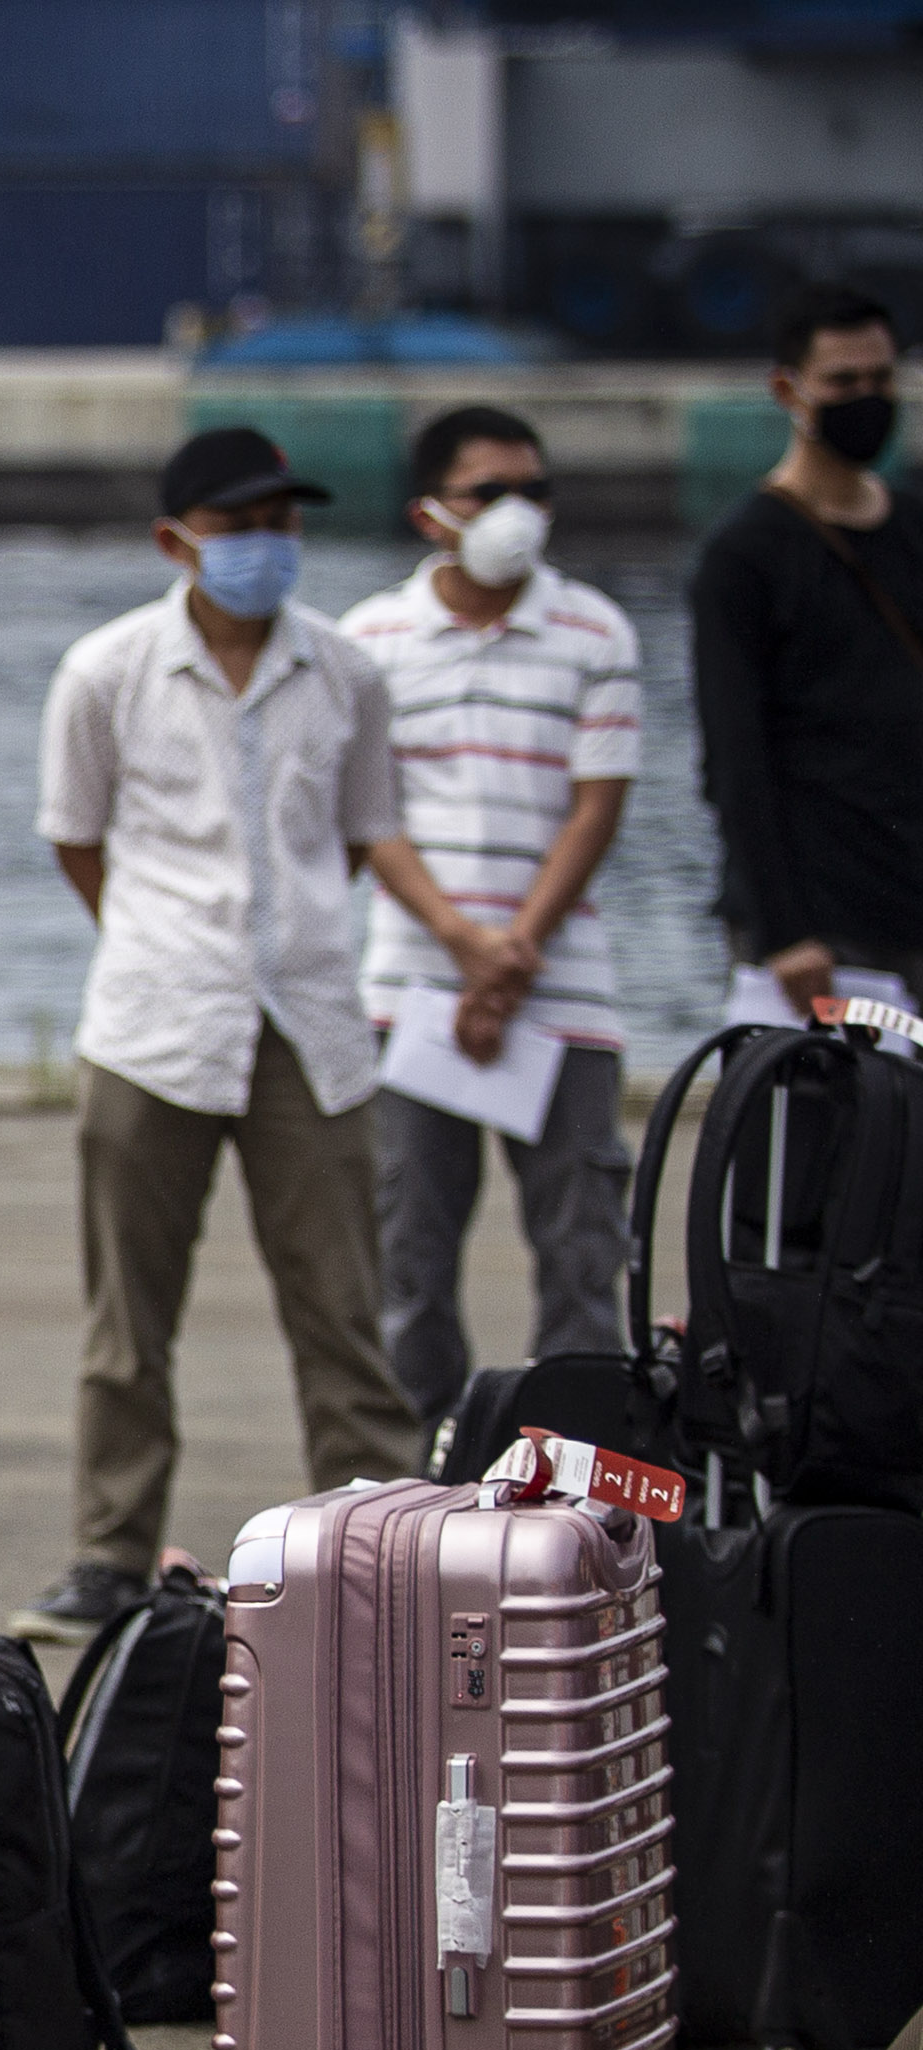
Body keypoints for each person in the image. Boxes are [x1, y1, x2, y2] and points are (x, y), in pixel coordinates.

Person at [13, 427, 520, 1643]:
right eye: (239, 526)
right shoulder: (106, 669)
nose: (266, 546)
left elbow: (360, 833)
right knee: (128, 1316)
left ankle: (376, 1542)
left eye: (282, 524)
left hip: (309, 1018)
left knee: (342, 1305)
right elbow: (76, 837)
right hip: (153, 1018)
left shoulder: (345, 670)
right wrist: (163, 935)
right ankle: (109, 1552)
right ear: (174, 540)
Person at [341, 405, 644, 1426]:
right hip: (411, 988)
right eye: (490, 492)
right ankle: (421, 1470)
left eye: (534, 490)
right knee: (408, 1254)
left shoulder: (596, 630)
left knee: (582, 1249)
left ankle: (579, 1468)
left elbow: (597, 806)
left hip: (562, 987)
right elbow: (370, 816)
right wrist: (464, 944)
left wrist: (511, 954)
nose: (518, 512)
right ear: (431, 512)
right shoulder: (371, 640)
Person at [692, 283, 923, 1015]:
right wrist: (783, 931)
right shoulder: (745, 555)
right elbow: (735, 755)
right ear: (788, 390)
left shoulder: (913, 524)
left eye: (881, 379)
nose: (867, 399)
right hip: (824, 917)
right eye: (842, 382)